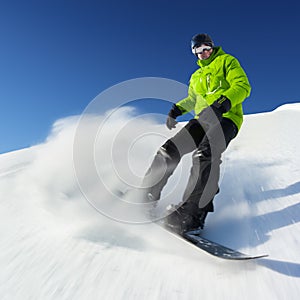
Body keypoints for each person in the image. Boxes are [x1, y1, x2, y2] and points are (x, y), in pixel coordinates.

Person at [142, 33, 251, 233]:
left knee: (204, 156)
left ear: (212, 46)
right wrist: (177, 109)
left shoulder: (227, 61)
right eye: (197, 50)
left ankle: (192, 214)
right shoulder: (196, 76)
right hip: (202, 119)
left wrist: (223, 103)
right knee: (169, 150)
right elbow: (193, 99)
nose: (203, 53)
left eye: (206, 48)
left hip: (226, 118)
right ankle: (146, 196)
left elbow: (243, 86)